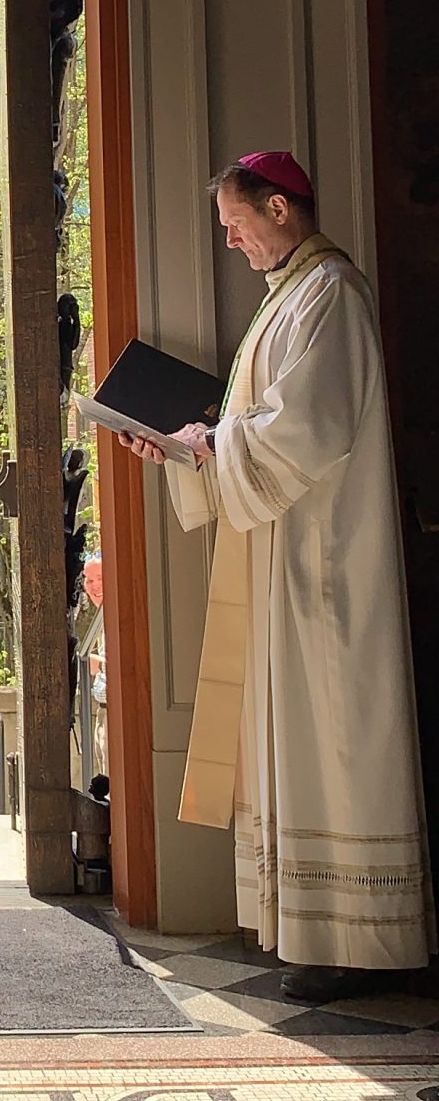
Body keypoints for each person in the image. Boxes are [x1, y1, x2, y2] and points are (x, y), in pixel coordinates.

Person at [120, 150, 433, 1001]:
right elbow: (254, 426)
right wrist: (185, 448)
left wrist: (210, 443)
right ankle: (309, 930)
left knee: (333, 738)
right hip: (283, 553)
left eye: (235, 223)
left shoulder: (330, 293)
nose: (230, 241)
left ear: (279, 209)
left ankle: (356, 944)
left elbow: (307, 427)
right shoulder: (289, 296)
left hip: (325, 563)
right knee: (300, 740)